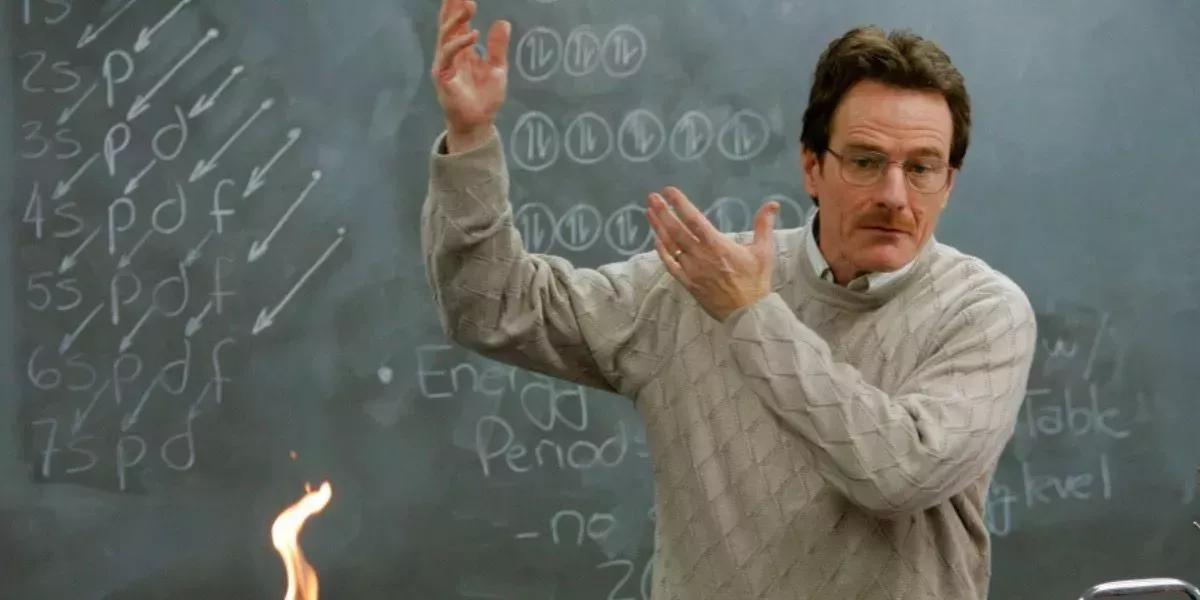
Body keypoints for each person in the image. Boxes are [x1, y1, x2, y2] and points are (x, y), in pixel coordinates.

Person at [421, 0, 1038, 596]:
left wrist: (750, 316)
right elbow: (491, 307)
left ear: (949, 183)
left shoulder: (984, 314)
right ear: (812, 167)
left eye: (922, 168)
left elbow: (897, 473)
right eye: (866, 161)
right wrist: (471, 139)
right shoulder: (697, 283)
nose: (895, 196)